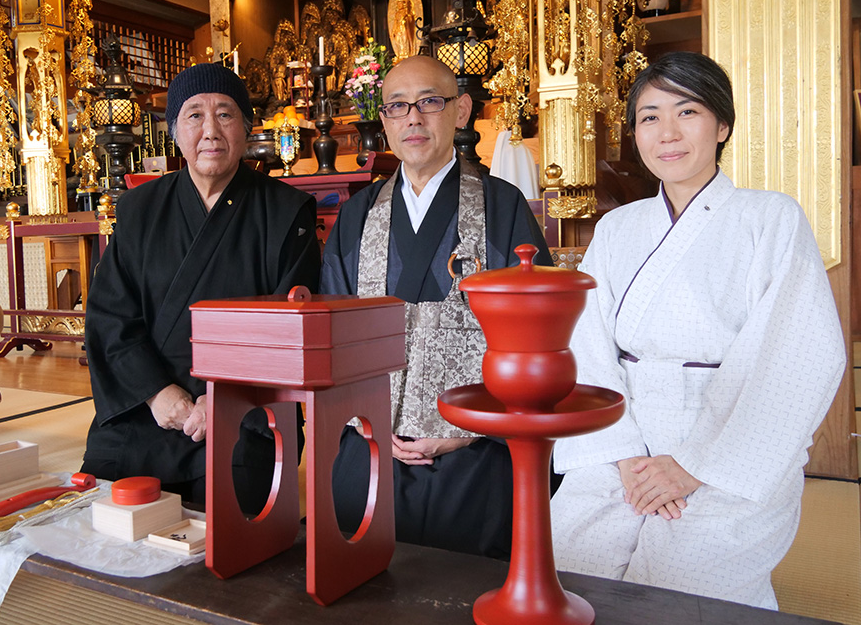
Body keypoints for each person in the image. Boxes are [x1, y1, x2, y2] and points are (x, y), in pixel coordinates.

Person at [550, 52, 845, 608]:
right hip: (624, 438)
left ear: (723, 125)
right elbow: (582, 345)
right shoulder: (617, 228)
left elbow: (796, 354)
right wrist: (623, 455)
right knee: (566, 567)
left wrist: (693, 465)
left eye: (687, 112)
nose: (667, 133)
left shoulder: (772, 218)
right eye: (649, 116)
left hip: (730, 444)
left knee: (683, 591)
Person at [321, 55, 552, 559]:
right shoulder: (358, 216)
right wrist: (363, 421)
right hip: (373, 443)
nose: (413, 119)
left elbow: (538, 334)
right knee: (362, 582)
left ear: (461, 109)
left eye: (429, 102)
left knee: (466, 589)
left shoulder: (503, 206)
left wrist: (471, 428)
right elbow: (333, 332)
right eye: (397, 107)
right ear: (383, 121)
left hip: (475, 447)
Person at [81, 64, 321, 512]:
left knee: (233, 538)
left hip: (243, 410)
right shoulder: (138, 209)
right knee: (106, 520)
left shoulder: (287, 211)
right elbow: (109, 317)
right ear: (174, 132)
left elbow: (291, 330)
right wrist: (156, 392)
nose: (210, 130)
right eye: (194, 115)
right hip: (146, 406)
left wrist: (224, 400)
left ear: (247, 129)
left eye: (225, 114)